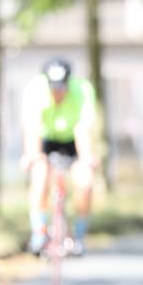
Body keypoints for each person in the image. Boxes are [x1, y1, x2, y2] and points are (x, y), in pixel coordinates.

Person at [19, 58, 99, 256]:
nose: (57, 93)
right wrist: (31, 155)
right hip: (46, 139)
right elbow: (32, 128)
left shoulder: (82, 90)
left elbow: (83, 129)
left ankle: (78, 236)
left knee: (85, 181)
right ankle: (39, 233)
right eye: (54, 88)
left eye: (61, 88)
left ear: (68, 83)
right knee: (40, 176)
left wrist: (86, 156)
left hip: (73, 141)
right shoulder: (35, 89)